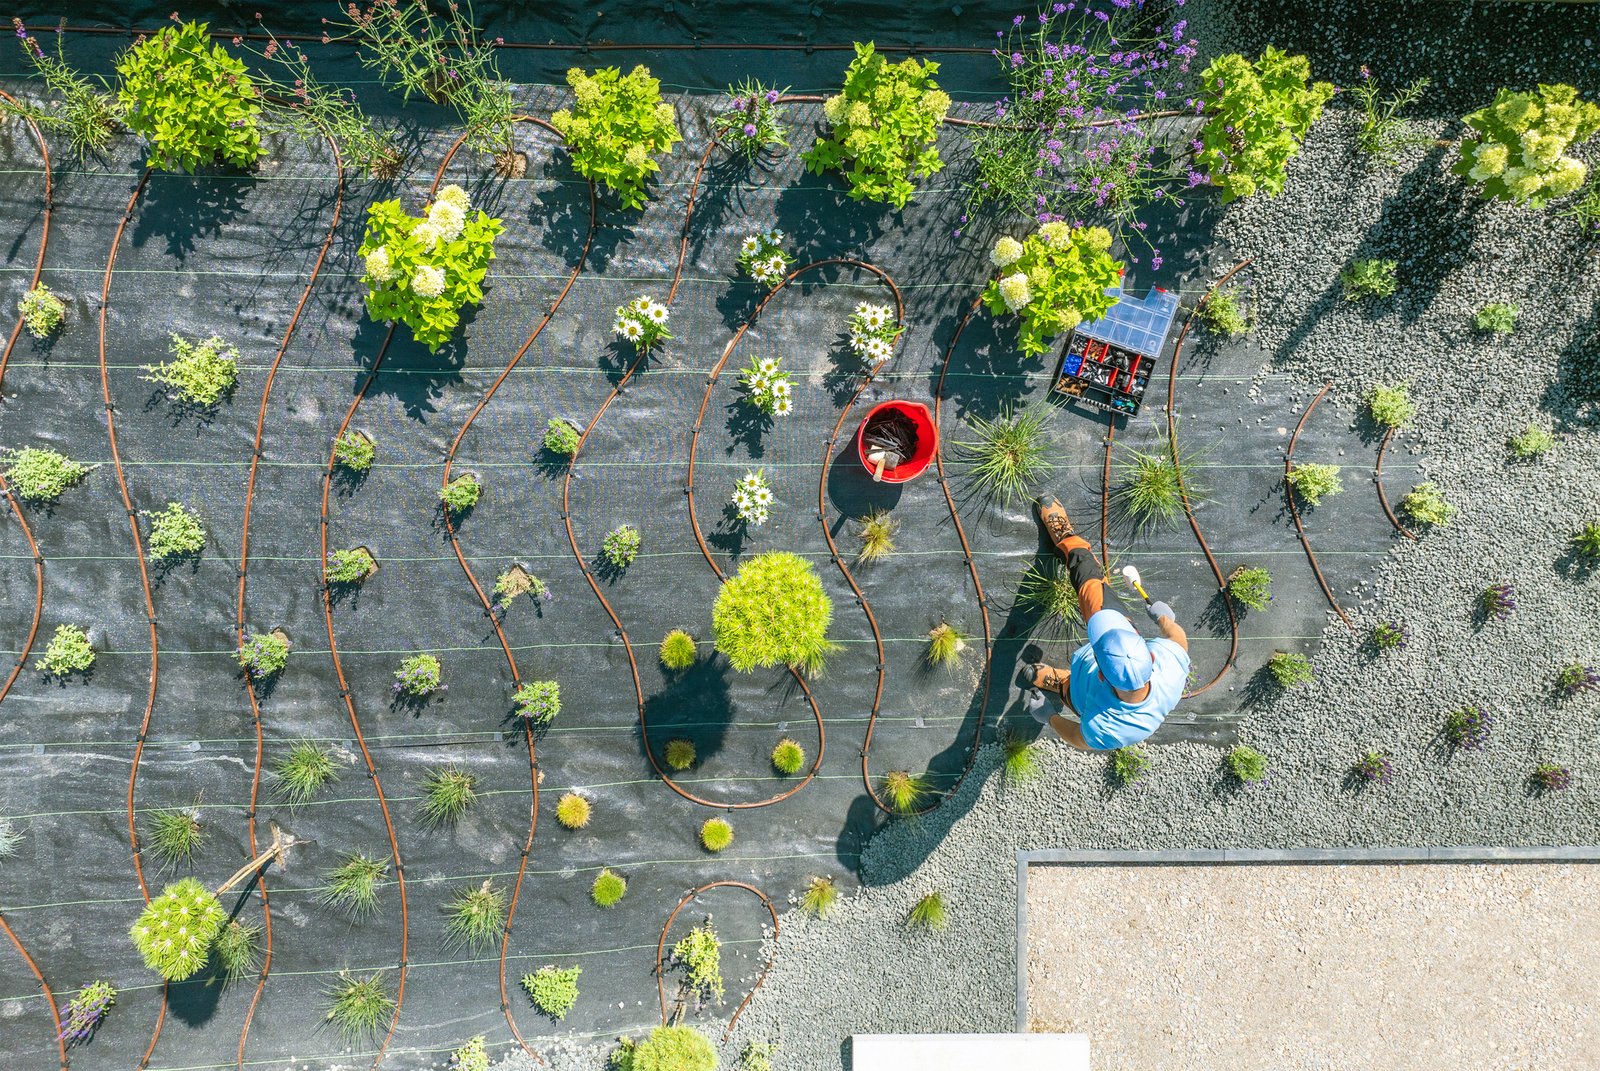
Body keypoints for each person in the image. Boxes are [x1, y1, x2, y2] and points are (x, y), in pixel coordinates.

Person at [1025, 497, 1189, 751]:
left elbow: (1080, 738)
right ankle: (1066, 538)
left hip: (1081, 694)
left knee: (1073, 692)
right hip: (1108, 649)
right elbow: (1178, 641)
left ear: (1100, 672)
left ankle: (1061, 683)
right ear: (1152, 658)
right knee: (1090, 579)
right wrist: (1164, 618)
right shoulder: (1172, 670)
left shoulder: (1106, 727)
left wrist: (1050, 717)